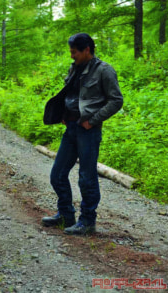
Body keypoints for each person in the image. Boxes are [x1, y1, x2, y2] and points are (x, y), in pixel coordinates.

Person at [42, 33, 123, 235]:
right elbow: (71, 94)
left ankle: (87, 221)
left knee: (86, 177)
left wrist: (93, 120)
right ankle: (66, 215)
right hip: (70, 129)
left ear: (87, 49)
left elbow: (116, 100)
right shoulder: (75, 68)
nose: (72, 56)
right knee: (57, 175)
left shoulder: (104, 70)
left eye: (74, 52)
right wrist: (63, 113)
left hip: (88, 132)